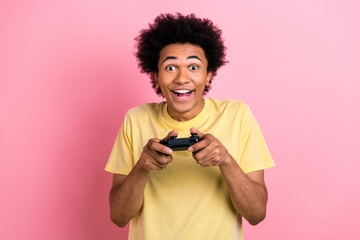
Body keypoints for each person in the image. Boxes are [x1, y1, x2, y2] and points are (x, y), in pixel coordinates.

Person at [105, 13, 275, 240]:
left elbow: (256, 214)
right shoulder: (136, 119)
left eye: (194, 67)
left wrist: (225, 160)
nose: (182, 78)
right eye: (170, 67)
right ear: (155, 77)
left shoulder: (237, 115)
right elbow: (118, 217)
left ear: (209, 75)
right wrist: (142, 167)